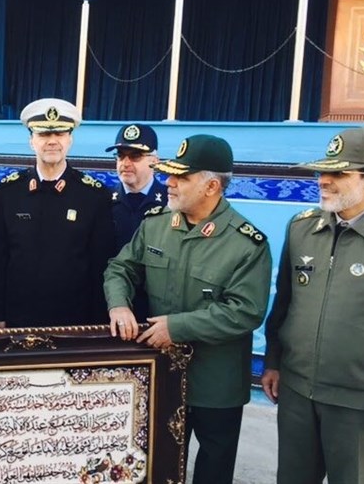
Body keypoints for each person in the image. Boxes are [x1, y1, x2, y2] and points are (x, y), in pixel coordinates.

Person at [104, 134, 271, 484]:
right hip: (162, 373)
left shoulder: (246, 243)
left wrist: (176, 328)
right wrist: (119, 304)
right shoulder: (156, 224)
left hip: (216, 382)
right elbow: (121, 268)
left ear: (211, 186)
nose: (169, 182)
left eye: (181, 177)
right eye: (169, 174)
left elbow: (245, 311)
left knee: (213, 470)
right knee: (155, 464)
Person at [262, 127, 364, 484]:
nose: (323, 181)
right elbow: (284, 303)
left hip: (361, 403)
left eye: (338, 173)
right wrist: (273, 361)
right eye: (322, 172)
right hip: (296, 393)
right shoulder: (302, 228)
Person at [0, 98, 114, 327]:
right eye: (43, 134)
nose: (52, 141)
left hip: (74, 320)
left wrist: (98, 322)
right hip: (18, 318)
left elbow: (101, 265)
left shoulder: (94, 196)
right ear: (31, 141)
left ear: (70, 140)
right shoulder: (8, 193)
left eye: (59, 133)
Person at [105, 123, 167, 320]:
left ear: (154, 161)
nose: (125, 163)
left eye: (135, 156)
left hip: (157, 311)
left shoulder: (171, 202)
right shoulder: (103, 201)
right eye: (120, 156)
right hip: (111, 307)